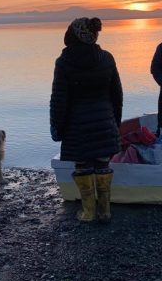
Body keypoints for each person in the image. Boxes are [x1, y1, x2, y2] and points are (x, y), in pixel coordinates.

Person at [50, 17, 123, 223]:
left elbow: (59, 99)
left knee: (83, 165)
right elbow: (117, 94)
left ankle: (89, 212)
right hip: (104, 121)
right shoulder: (107, 58)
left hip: (77, 125)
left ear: (72, 35)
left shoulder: (64, 62)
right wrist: (115, 123)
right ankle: (105, 211)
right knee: (102, 164)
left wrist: (57, 126)